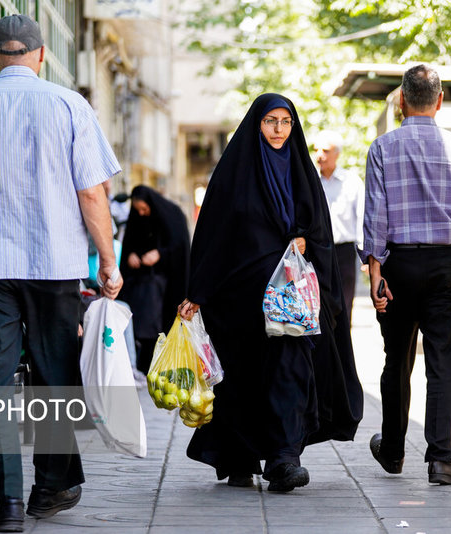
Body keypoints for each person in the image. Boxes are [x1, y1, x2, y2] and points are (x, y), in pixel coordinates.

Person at [0, 15, 122, 532]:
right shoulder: (68, 104)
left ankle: (8, 502)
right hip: (55, 266)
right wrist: (107, 260)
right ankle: (50, 487)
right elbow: (91, 193)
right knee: (55, 377)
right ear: (38, 56)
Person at [178, 93, 363, 493]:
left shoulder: (302, 173)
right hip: (239, 302)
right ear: (256, 125)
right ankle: (240, 456)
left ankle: (284, 458)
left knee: (290, 371)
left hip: (289, 303)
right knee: (242, 379)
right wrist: (197, 292)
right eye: (270, 122)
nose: (279, 130)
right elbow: (213, 236)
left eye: (286, 122)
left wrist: (303, 241)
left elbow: (321, 233)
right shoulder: (233, 174)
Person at [361, 64, 451, 485]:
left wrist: (375, 275)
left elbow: (375, 218)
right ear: (440, 102)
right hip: (446, 268)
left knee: (396, 359)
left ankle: (395, 451)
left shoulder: (381, 148)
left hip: (399, 266)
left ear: (401, 100)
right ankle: (440, 459)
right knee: (442, 362)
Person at [118, 185, 190, 373]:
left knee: (161, 325)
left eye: (144, 209)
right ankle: (142, 364)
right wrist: (131, 255)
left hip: (165, 285)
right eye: (138, 210)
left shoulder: (172, 215)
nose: (141, 214)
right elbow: (129, 245)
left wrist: (160, 254)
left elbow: (180, 247)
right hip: (140, 285)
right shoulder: (136, 219)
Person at [313, 130, 364, 324]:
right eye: (316, 149)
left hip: (343, 253)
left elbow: (361, 218)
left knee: (344, 305)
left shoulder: (351, 182)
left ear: (337, 154)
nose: (320, 155)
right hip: (316, 250)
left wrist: (365, 256)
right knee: (316, 305)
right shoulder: (310, 181)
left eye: (326, 150)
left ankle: (342, 352)